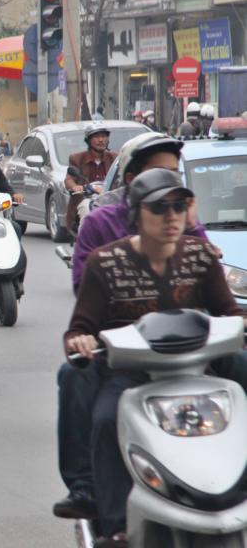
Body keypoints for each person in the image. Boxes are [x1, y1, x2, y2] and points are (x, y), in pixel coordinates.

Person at [63, 168, 246, 547]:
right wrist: (80, 340)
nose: (171, 216)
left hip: (200, 370)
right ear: (135, 215)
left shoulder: (201, 257)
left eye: (179, 205)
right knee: (105, 418)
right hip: (130, 375)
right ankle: (113, 524)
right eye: (160, 207)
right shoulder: (104, 263)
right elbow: (80, 327)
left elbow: (230, 314)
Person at [52, 132, 209, 522]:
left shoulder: (190, 235)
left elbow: (221, 300)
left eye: (175, 183)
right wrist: (88, 338)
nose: (170, 213)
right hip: (125, 353)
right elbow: (83, 305)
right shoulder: (105, 249)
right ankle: (89, 489)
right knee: (77, 378)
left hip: (189, 350)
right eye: (158, 178)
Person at [64, 123, 115, 231]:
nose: (101, 140)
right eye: (96, 136)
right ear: (88, 140)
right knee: (86, 209)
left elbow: (122, 176)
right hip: (86, 200)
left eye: (104, 136)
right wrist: (75, 186)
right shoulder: (77, 158)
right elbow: (69, 179)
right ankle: (85, 241)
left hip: (110, 199)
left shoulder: (114, 158)